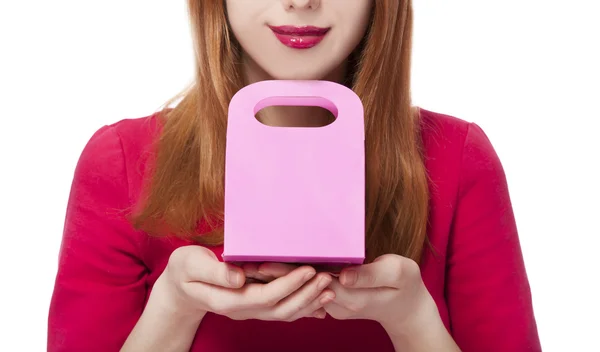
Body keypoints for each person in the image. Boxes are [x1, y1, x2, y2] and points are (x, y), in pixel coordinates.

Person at [47, 0, 542, 351]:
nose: (301, 1)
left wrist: (414, 323)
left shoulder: (458, 160)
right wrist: (173, 308)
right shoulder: (120, 163)